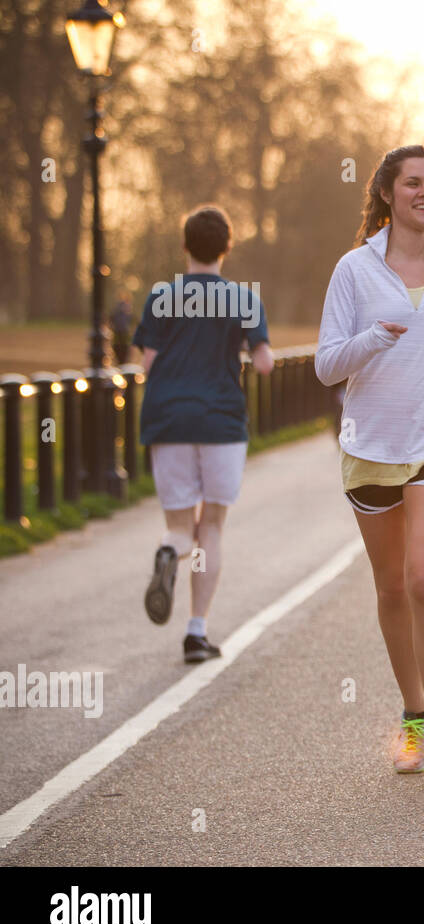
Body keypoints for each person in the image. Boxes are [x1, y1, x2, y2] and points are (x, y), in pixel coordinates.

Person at [316, 145, 424, 774]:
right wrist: (372, 339)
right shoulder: (354, 271)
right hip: (370, 443)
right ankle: (413, 713)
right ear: (388, 193)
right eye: (414, 183)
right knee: (391, 587)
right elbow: (325, 363)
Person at [133, 205, 273, 662]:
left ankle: (169, 551)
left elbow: (148, 364)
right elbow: (266, 363)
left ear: (185, 246)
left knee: (179, 526)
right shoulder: (244, 299)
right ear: (226, 248)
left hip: (168, 418)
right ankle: (196, 633)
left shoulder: (161, 297)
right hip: (220, 421)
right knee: (210, 525)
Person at [110, 293, 133, 366]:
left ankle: (120, 361)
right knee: (124, 348)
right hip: (123, 332)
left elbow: (111, 319)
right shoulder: (126, 308)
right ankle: (123, 362)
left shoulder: (116, 308)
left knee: (118, 347)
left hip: (118, 332)